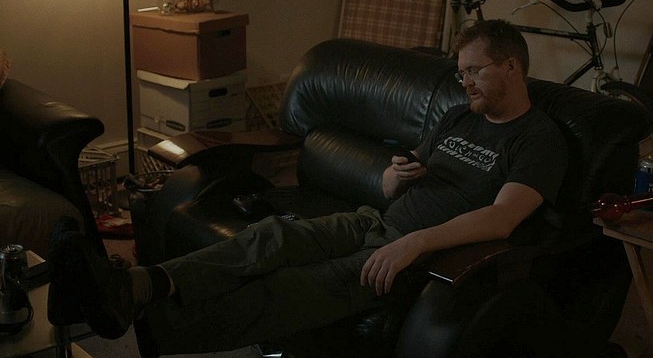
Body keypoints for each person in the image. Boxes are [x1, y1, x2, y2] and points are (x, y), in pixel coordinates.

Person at [48, 19, 568, 353]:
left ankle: (151, 331)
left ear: (511, 66)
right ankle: (131, 287)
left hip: (416, 256)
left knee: (289, 287)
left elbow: (503, 218)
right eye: (460, 74)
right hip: (374, 221)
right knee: (268, 236)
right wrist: (395, 175)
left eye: (474, 72)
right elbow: (391, 185)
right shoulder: (459, 117)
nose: (465, 83)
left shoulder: (538, 139)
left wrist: (413, 243)